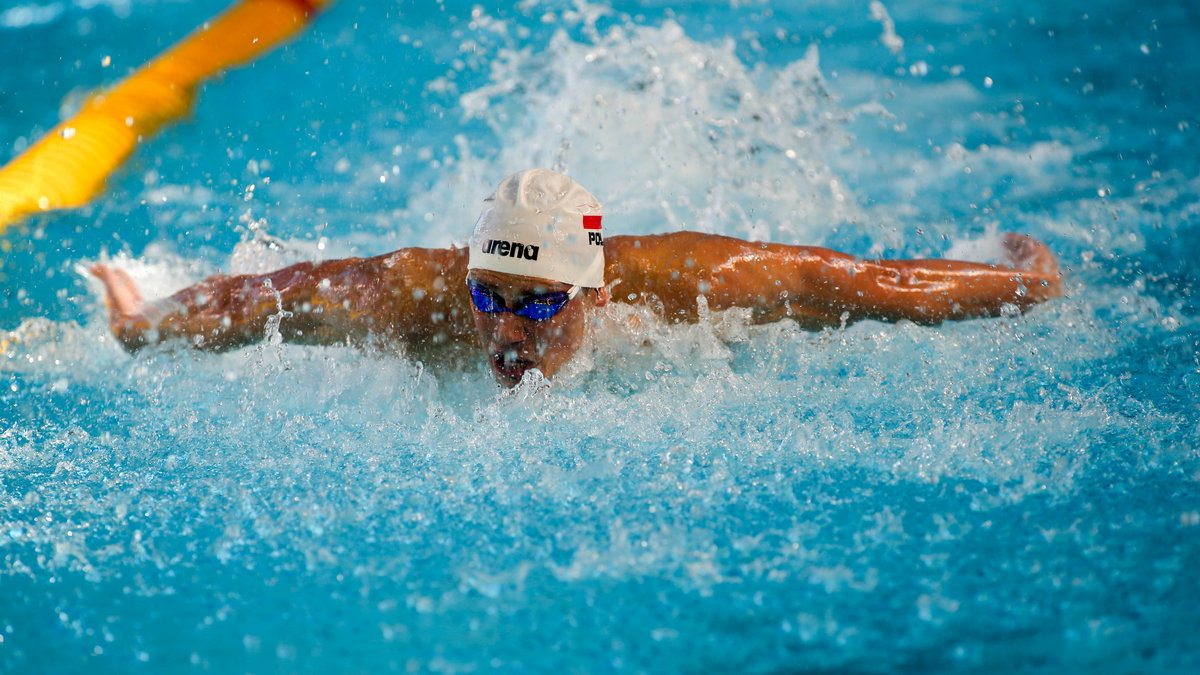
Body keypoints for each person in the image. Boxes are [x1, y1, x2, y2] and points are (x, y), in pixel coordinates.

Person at [91, 169, 1063, 387]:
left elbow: (873, 286)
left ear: (592, 294)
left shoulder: (693, 285)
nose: (505, 335)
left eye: (538, 304)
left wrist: (1017, 284)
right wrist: (143, 322)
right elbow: (266, 298)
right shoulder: (412, 294)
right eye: (491, 299)